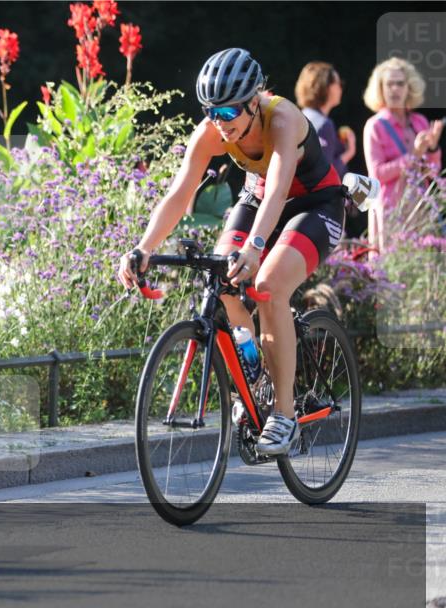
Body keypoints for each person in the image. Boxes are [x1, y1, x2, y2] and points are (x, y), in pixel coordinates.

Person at [117, 48, 346, 455]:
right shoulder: (211, 131)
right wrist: (143, 247)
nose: (219, 125)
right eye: (211, 113)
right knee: (220, 278)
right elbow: (178, 193)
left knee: (267, 285)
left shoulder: (283, 118)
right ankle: (255, 372)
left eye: (228, 114)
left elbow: (278, 188)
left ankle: (285, 414)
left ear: (253, 102)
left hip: (314, 204)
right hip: (258, 199)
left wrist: (257, 246)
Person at [362, 57, 442, 254]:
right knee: (393, 274)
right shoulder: (375, 126)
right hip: (391, 212)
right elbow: (377, 175)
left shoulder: (419, 121)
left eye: (400, 83)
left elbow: (432, 174)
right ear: (380, 89)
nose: (395, 89)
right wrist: (414, 154)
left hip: (419, 209)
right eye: (389, 84)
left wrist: (432, 148)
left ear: (409, 88)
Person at [295, 62, 355, 178]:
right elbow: (326, 173)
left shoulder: (301, 116)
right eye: (339, 83)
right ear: (326, 87)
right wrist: (349, 153)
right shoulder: (324, 124)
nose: (341, 88)